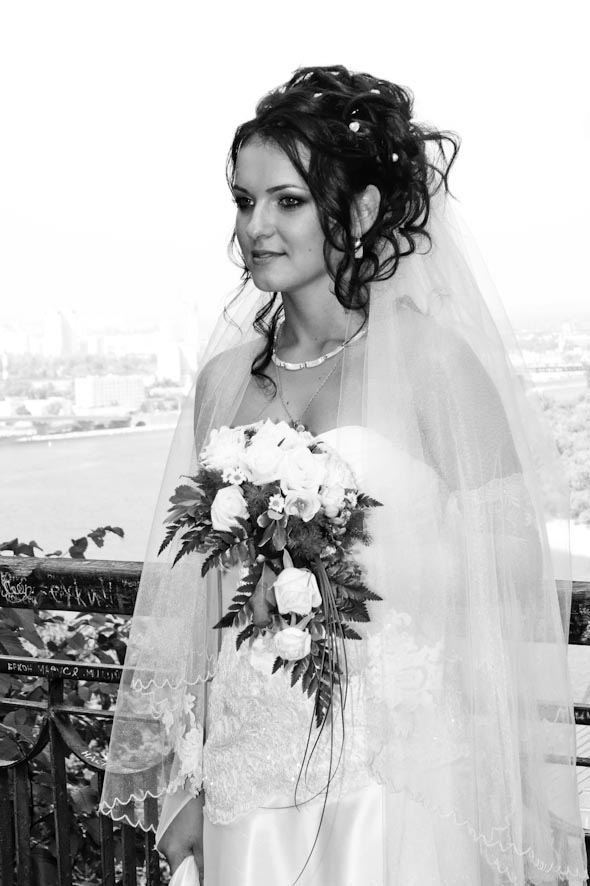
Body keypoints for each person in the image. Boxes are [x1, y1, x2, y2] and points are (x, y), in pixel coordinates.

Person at [100, 66, 587, 885]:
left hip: (399, 766)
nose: (256, 226)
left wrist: (355, 575)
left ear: (358, 212)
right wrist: (190, 777)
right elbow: (200, 602)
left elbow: (509, 572)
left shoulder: (435, 363)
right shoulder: (222, 381)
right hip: (250, 766)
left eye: (286, 201)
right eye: (244, 201)